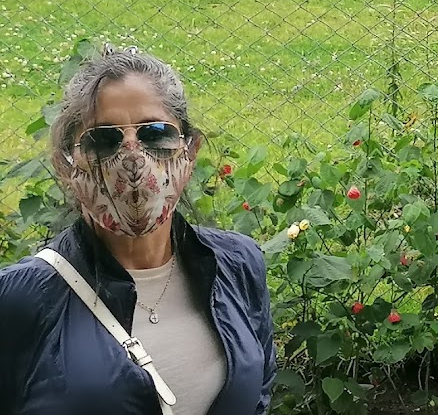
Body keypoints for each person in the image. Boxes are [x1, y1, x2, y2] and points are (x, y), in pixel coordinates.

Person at [0, 46, 276, 415]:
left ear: (190, 150)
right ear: (66, 165)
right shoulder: (20, 299)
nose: (133, 157)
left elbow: (259, 395)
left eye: (155, 134)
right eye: (103, 141)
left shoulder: (237, 264)